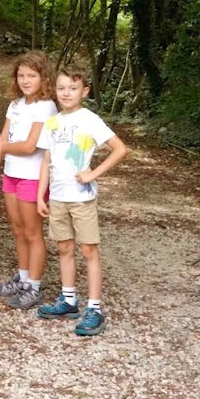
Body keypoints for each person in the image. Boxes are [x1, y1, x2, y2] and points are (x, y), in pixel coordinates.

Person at [34, 64, 129, 336]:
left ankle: (95, 309)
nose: (66, 93)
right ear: (55, 90)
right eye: (61, 88)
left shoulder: (89, 119)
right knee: (64, 247)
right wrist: (42, 194)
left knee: (89, 250)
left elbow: (120, 149)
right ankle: (68, 300)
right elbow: (47, 161)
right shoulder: (52, 123)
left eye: (73, 88)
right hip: (59, 197)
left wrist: (93, 173)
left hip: (81, 198)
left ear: (84, 91)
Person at [0, 50, 57, 309]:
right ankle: (23, 277)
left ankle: (34, 286)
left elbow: (29, 147)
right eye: (21, 75)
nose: (26, 80)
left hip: (33, 177)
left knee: (32, 231)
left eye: (32, 75)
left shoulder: (46, 106)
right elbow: (2, 138)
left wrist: (4, 147)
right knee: (17, 229)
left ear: (43, 77)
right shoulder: (16, 105)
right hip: (11, 174)